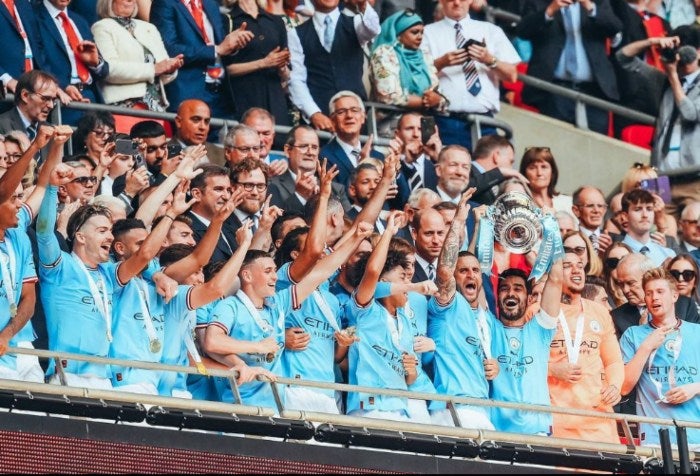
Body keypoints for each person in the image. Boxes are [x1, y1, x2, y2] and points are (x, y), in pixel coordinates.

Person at [204, 222, 372, 408]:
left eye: (275, 271)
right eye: (268, 272)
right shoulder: (230, 306)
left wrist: (355, 238)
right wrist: (257, 346)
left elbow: (321, 272)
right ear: (247, 276)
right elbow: (212, 342)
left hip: (276, 402)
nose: (275, 277)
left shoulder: (278, 304)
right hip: (242, 403)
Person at [345, 213, 434, 422]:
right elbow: (373, 271)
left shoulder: (404, 321)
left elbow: (409, 377)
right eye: (401, 277)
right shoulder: (366, 311)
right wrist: (388, 233)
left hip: (400, 409)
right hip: (368, 409)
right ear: (384, 280)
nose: (407, 283)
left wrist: (411, 370)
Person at [428, 188, 498, 428]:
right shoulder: (448, 305)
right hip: (453, 409)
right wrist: (458, 221)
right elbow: (445, 269)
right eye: (463, 270)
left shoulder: (486, 320)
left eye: (476, 270)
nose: (471, 275)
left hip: (482, 410)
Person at [617, 35, 700, 212]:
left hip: (694, 177)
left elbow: (690, 114)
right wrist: (651, 42)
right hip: (662, 176)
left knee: (694, 232)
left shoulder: (671, 80)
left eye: (686, 50)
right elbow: (623, 58)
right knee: (660, 232)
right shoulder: (663, 81)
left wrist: (673, 77)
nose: (679, 56)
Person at [421, 0, 519, 149]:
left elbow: (512, 76)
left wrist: (489, 60)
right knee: (443, 169)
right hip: (443, 119)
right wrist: (441, 63)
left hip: (484, 120)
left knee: (486, 171)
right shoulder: (427, 33)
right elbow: (416, 76)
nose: (457, 2)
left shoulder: (491, 30)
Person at [620, 268, 700, 448]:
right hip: (654, 440)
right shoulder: (633, 335)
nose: (654, 297)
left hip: (696, 437)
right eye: (649, 293)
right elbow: (624, 387)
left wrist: (695, 388)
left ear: (674, 296)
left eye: (660, 292)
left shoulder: (697, 332)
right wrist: (646, 346)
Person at [549, 251, 624, 443]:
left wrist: (615, 386)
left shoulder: (599, 312)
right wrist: (552, 369)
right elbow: (526, 363)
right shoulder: (539, 313)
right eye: (567, 266)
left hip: (599, 419)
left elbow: (613, 361)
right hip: (557, 419)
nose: (576, 270)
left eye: (580, 266)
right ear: (553, 272)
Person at [517, 0, 622, 134]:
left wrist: (590, 7)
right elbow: (522, 31)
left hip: (594, 93)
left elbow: (615, 26)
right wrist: (550, 10)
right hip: (554, 90)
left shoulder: (597, 1)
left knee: (594, 148)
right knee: (552, 143)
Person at [150, 0, 254, 118]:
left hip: (220, 90)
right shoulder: (165, 3)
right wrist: (216, 50)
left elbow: (221, 45)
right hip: (188, 91)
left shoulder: (210, 3)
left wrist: (233, 45)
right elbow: (169, 49)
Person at [287, 0, 380, 130]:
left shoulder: (355, 22)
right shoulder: (296, 34)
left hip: (354, 116)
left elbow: (373, 29)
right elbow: (296, 79)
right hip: (319, 119)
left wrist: (363, 5)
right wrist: (314, 113)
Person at [91, 0, 184, 111]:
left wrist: (170, 69)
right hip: (124, 105)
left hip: (157, 107)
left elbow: (162, 74)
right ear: (109, 2)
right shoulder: (102, 27)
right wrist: (153, 69)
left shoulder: (149, 27)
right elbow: (109, 70)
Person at [34, 0, 110, 125]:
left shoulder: (79, 21)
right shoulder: (34, 17)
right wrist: (62, 86)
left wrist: (95, 63)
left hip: (91, 98)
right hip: (62, 100)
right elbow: (38, 61)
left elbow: (104, 71)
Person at [223, 0, 291, 125]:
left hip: (275, 101)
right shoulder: (227, 21)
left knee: (278, 140)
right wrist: (263, 63)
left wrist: (282, 68)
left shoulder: (276, 22)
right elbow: (225, 70)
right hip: (244, 99)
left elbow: (287, 74)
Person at [369, 9, 443, 112]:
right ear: (399, 34)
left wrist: (437, 99)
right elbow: (387, 95)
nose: (420, 37)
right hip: (392, 120)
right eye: (414, 32)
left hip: (424, 120)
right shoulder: (384, 54)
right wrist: (425, 102)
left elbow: (438, 94)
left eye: (422, 32)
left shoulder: (424, 56)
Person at [612, 253, 700, 338]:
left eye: (630, 283)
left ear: (648, 277)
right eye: (621, 284)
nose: (625, 290)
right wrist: (641, 332)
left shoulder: (685, 305)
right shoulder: (616, 317)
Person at [269, 125, 350, 215]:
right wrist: (300, 196)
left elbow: (349, 224)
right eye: (304, 146)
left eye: (314, 147)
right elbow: (276, 223)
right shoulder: (272, 185)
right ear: (288, 150)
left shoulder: (336, 189)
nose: (310, 152)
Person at [320, 91, 385, 187]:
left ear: (363, 117)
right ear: (333, 120)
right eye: (341, 112)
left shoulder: (378, 156)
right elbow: (336, 197)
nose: (349, 115)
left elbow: (398, 198)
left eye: (354, 110)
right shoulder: (324, 157)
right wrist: (362, 166)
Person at [0, 0, 45, 96]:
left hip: (33, 90)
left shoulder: (24, 4)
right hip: (6, 92)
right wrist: (6, 79)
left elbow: (38, 47)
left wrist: (49, 83)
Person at [621, 189, 676, 266]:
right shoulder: (618, 253)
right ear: (625, 216)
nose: (645, 215)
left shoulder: (668, 254)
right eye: (638, 209)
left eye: (649, 209)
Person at [0, 71, 59, 139]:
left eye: (53, 100)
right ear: (25, 95)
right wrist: (36, 146)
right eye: (45, 98)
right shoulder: (2, 125)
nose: (51, 106)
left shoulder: (50, 130)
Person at [468, 134, 524, 206]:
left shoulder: (494, 181)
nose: (511, 168)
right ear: (496, 156)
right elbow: (462, 188)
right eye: (510, 161)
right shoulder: (465, 169)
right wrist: (500, 172)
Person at [519, 146, 573, 216]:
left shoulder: (567, 202)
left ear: (552, 172)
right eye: (532, 168)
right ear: (524, 173)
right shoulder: (521, 204)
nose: (539, 173)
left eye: (544, 167)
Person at [394, 112, 439, 194]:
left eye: (420, 129)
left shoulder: (436, 164)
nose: (416, 134)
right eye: (409, 128)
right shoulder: (390, 164)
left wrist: (438, 158)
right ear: (397, 134)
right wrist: (407, 163)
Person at [241, 107, 288, 176]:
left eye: (266, 134)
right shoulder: (233, 164)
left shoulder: (284, 165)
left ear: (273, 136)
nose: (260, 139)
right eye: (255, 133)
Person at [571, 186, 614, 255]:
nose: (596, 210)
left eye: (600, 206)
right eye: (590, 206)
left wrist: (611, 252)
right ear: (576, 211)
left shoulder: (618, 241)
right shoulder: (569, 241)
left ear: (605, 209)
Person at [410, 208, 446, 283]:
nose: (436, 241)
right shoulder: (403, 268)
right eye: (429, 233)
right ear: (414, 233)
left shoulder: (453, 268)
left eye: (440, 233)